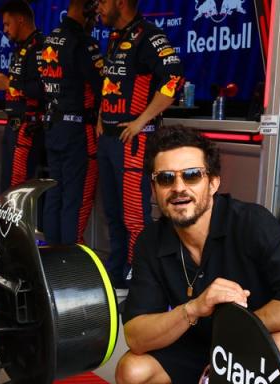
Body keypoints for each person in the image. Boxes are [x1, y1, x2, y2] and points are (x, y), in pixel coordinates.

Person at [115, 125, 280, 384]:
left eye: (192, 175)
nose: (179, 188)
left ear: (214, 182)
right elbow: (136, 337)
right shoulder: (151, 241)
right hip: (202, 345)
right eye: (166, 178)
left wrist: (233, 332)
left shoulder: (250, 222)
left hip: (263, 342)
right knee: (132, 371)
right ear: (154, 187)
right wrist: (193, 308)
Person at [96, 0, 184, 289]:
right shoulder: (114, 38)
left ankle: (140, 277)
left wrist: (141, 120)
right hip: (109, 140)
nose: (97, 7)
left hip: (134, 140)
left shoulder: (149, 36)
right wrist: (100, 117)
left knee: (134, 216)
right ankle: (117, 273)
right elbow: (109, 83)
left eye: (102, 2)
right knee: (113, 213)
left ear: (120, 2)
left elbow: (174, 78)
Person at [38, 0, 103, 245]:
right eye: (93, 14)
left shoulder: (51, 38)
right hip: (76, 129)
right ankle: (69, 258)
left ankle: (52, 254)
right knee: (73, 198)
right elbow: (103, 86)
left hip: (52, 126)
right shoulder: (83, 42)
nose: (95, 19)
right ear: (85, 10)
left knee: (54, 193)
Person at [0, 0, 44, 192]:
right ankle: (4, 223)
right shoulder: (21, 48)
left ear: (20, 20)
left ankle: (16, 224)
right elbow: (22, 83)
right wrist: (2, 78)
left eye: (7, 24)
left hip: (29, 129)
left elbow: (43, 88)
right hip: (13, 125)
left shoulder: (40, 47)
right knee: (7, 185)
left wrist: (8, 83)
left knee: (18, 189)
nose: (5, 29)